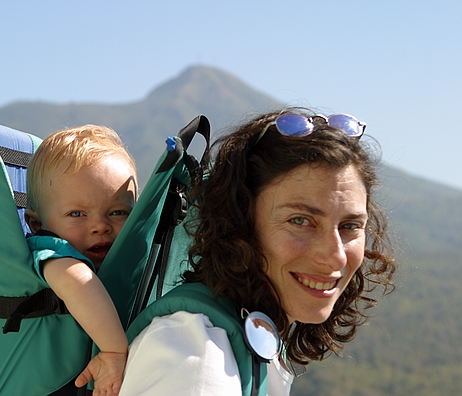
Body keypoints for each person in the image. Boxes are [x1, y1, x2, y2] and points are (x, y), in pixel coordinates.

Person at [118, 109, 397, 395]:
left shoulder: (246, 339)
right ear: (240, 223)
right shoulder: (196, 357)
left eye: (350, 225)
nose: (336, 256)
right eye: (300, 221)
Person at [24, 124, 138, 396]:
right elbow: (78, 282)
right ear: (36, 224)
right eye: (77, 214)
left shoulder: (126, 253)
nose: (100, 226)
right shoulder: (50, 249)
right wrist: (112, 350)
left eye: (118, 212)